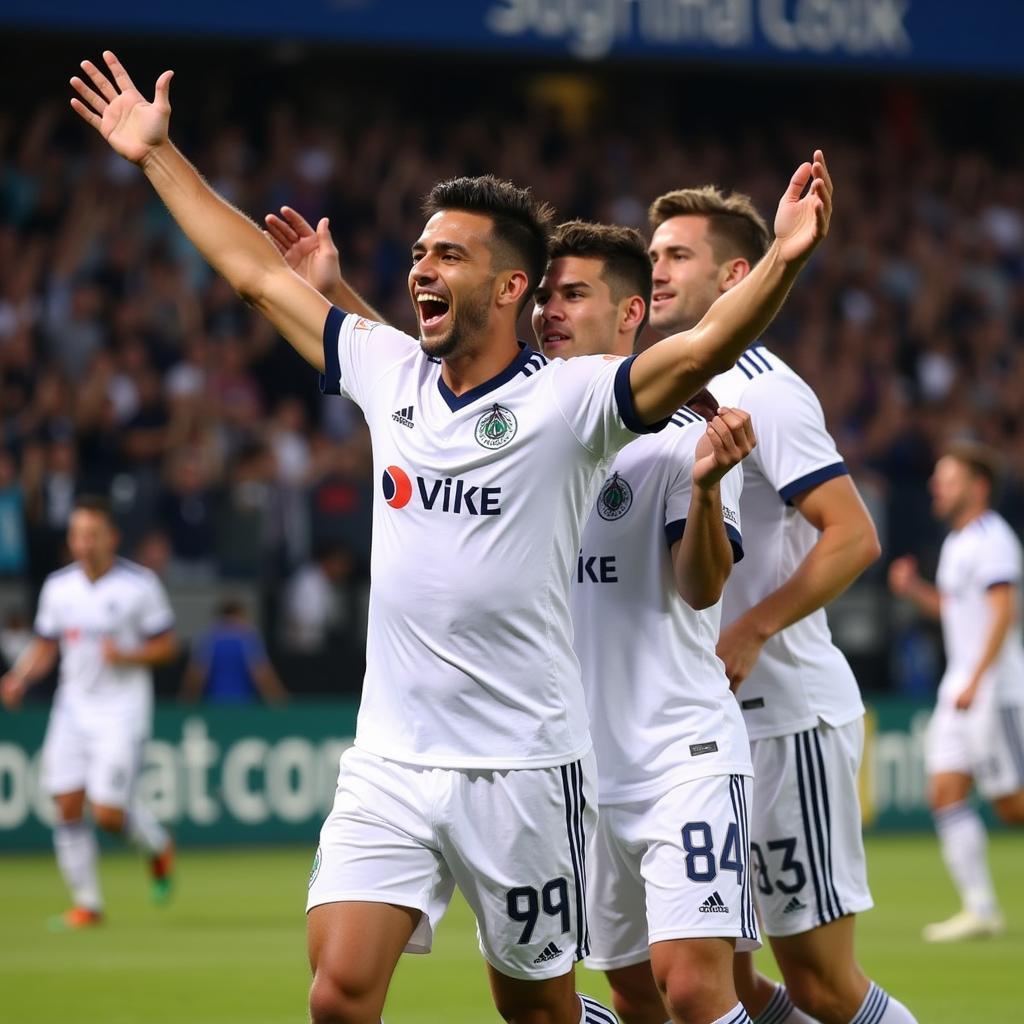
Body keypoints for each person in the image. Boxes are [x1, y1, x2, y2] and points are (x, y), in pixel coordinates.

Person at [69, 50, 830, 1024]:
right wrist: (157, 156)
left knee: (540, 1011)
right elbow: (256, 277)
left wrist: (784, 259)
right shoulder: (389, 372)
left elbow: (701, 346)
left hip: (522, 764)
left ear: (512, 288)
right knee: (339, 994)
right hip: (390, 755)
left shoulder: (572, 402)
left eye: (448, 255)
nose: (422, 267)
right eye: (421, 253)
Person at [647, 186, 916, 1024]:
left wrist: (752, 627)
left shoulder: (759, 386)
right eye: (653, 254)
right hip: (707, 731)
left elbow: (853, 535)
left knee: (823, 983)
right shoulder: (664, 386)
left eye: (677, 255)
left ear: (737, 275)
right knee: (715, 980)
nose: (655, 268)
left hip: (783, 719)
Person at [535, 219, 758, 1024]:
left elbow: (701, 588)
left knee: (696, 987)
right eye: (543, 294)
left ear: (631, 313)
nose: (548, 311)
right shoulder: (524, 429)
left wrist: (704, 489)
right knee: (631, 995)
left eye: (573, 294)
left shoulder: (684, 431)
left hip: (681, 753)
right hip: (581, 772)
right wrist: (333, 295)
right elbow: (416, 381)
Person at [0, 495, 178, 927]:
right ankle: (87, 904)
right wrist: (19, 678)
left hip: (122, 713)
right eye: (77, 535)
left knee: (108, 814)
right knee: (65, 804)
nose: (84, 543)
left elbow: (168, 645)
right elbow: (46, 646)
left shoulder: (139, 585)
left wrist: (130, 654)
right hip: (72, 710)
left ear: (111, 537)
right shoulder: (59, 588)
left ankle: (156, 845)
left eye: (92, 534)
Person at [888, 441, 1024, 942]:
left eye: (948, 478)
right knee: (945, 793)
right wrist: (915, 591)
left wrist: (977, 677)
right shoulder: (957, 542)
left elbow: (1005, 613)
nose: (935, 486)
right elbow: (957, 611)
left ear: (978, 486)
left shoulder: (994, 539)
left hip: (992, 689)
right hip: (961, 690)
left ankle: (981, 907)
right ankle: (981, 908)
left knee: (1013, 807)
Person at [180, 598, 288, 705]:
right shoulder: (247, 637)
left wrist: (186, 703)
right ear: (239, 615)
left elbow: (195, 676)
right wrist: (279, 702)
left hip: (216, 707)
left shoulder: (208, 637)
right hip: (240, 707)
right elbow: (262, 674)